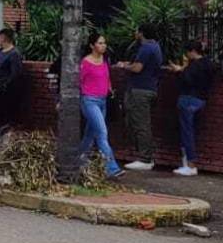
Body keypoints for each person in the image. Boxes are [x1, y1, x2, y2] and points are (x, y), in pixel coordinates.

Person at [115, 24, 163, 170]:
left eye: (136, 31)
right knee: (136, 121)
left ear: (141, 33)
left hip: (140, 90)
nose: (135, 33)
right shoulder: (156, 47)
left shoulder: (146, 48)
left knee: (141, 123)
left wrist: (124, 66)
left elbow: (138, 68)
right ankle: (144, 155)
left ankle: (145, 158)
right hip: (149, 88)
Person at [78, 33, 124, 179]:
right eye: (99, 43)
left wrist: (109, 91)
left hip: (103, 100)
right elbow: (78, 81)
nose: (103, 46)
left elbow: (107, 78)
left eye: (104, 43)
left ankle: (77, 159)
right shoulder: (85, 62)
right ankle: (111, 168)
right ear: (92, 45)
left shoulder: (105, 60)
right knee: (102, 133)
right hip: (89, 101)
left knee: (90, 135)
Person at [166, 41, 214, 177]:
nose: (186, 55)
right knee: (192, 130)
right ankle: (188, 163)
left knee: (186, 131)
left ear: (193, 51)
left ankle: (189, 164)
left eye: (187, 52)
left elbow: (185, 80)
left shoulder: (193, 66)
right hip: (201, 99)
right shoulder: (208, 64)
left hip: (188, 99)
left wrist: (179, 71)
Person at [0, 28, 25, 131]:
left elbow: (16, 73)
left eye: (0, 37)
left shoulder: (14, 54)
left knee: (5, 116)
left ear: (4, 38)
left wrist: (5, 85)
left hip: (5, 91)